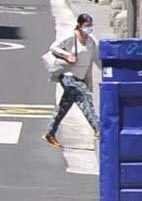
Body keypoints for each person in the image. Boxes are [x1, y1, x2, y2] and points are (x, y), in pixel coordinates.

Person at [43, 13, 100, 149]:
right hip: (67, 75)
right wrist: (67, 55)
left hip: (80, 77)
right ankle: (98, 128)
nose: (89, 28)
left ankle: (50, 133)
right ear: (80, 26)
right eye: (87, 26)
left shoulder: (91, 42)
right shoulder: (70, 37)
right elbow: (53, 48)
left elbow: (97, 60)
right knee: (85, 96)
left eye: (91, 25)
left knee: (64, 106)